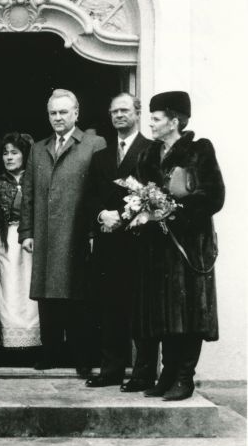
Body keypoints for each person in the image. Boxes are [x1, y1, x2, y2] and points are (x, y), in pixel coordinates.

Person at [134, 91, 225, 400]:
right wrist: (141, 210)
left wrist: (176, 212)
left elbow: (214, 196)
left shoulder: (199, 150)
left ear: (174, 121)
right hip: (157, 246)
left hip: (188, 246)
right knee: (164, 313)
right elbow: (140, 192)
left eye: (156, 119)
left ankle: (185, 378)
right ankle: (168, 373)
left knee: (189, 312)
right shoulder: (149, 154)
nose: (152, 124)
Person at [19, 88, 106, 374]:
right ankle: (51, 354)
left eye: (63, 112)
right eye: (53, 113)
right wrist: (27, 231)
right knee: (47, 297)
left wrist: (94, 232)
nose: (58, 117)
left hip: (78, 234)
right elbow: (28, 193)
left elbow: (100, 192)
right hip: (44, 234)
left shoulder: (94, 144)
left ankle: (83, 359)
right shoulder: (38, 147)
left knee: (79, 298)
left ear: (76, 113)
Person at [86, 93, 158, 390]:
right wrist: (102, 214)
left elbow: (156, 193)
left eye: (124, 110)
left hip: (140, 243)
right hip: (108, 245)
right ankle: (111, 369)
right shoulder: (100, 156)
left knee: (141, 310)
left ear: (137, 113)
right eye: (114, 111)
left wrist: (125, 216)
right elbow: (89, 196)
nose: (119, 115)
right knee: (110, 308)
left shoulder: (152, 150)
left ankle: (142, 373)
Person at [0, 133, 40, 351]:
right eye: (5, 153)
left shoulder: (36, 179)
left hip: (31, 241)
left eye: (14, 152)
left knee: (31, 292)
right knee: (9, 291)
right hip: (6, 242)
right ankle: (11, 346)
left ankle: (36, 343)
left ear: (24, 155)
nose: (8, 157)